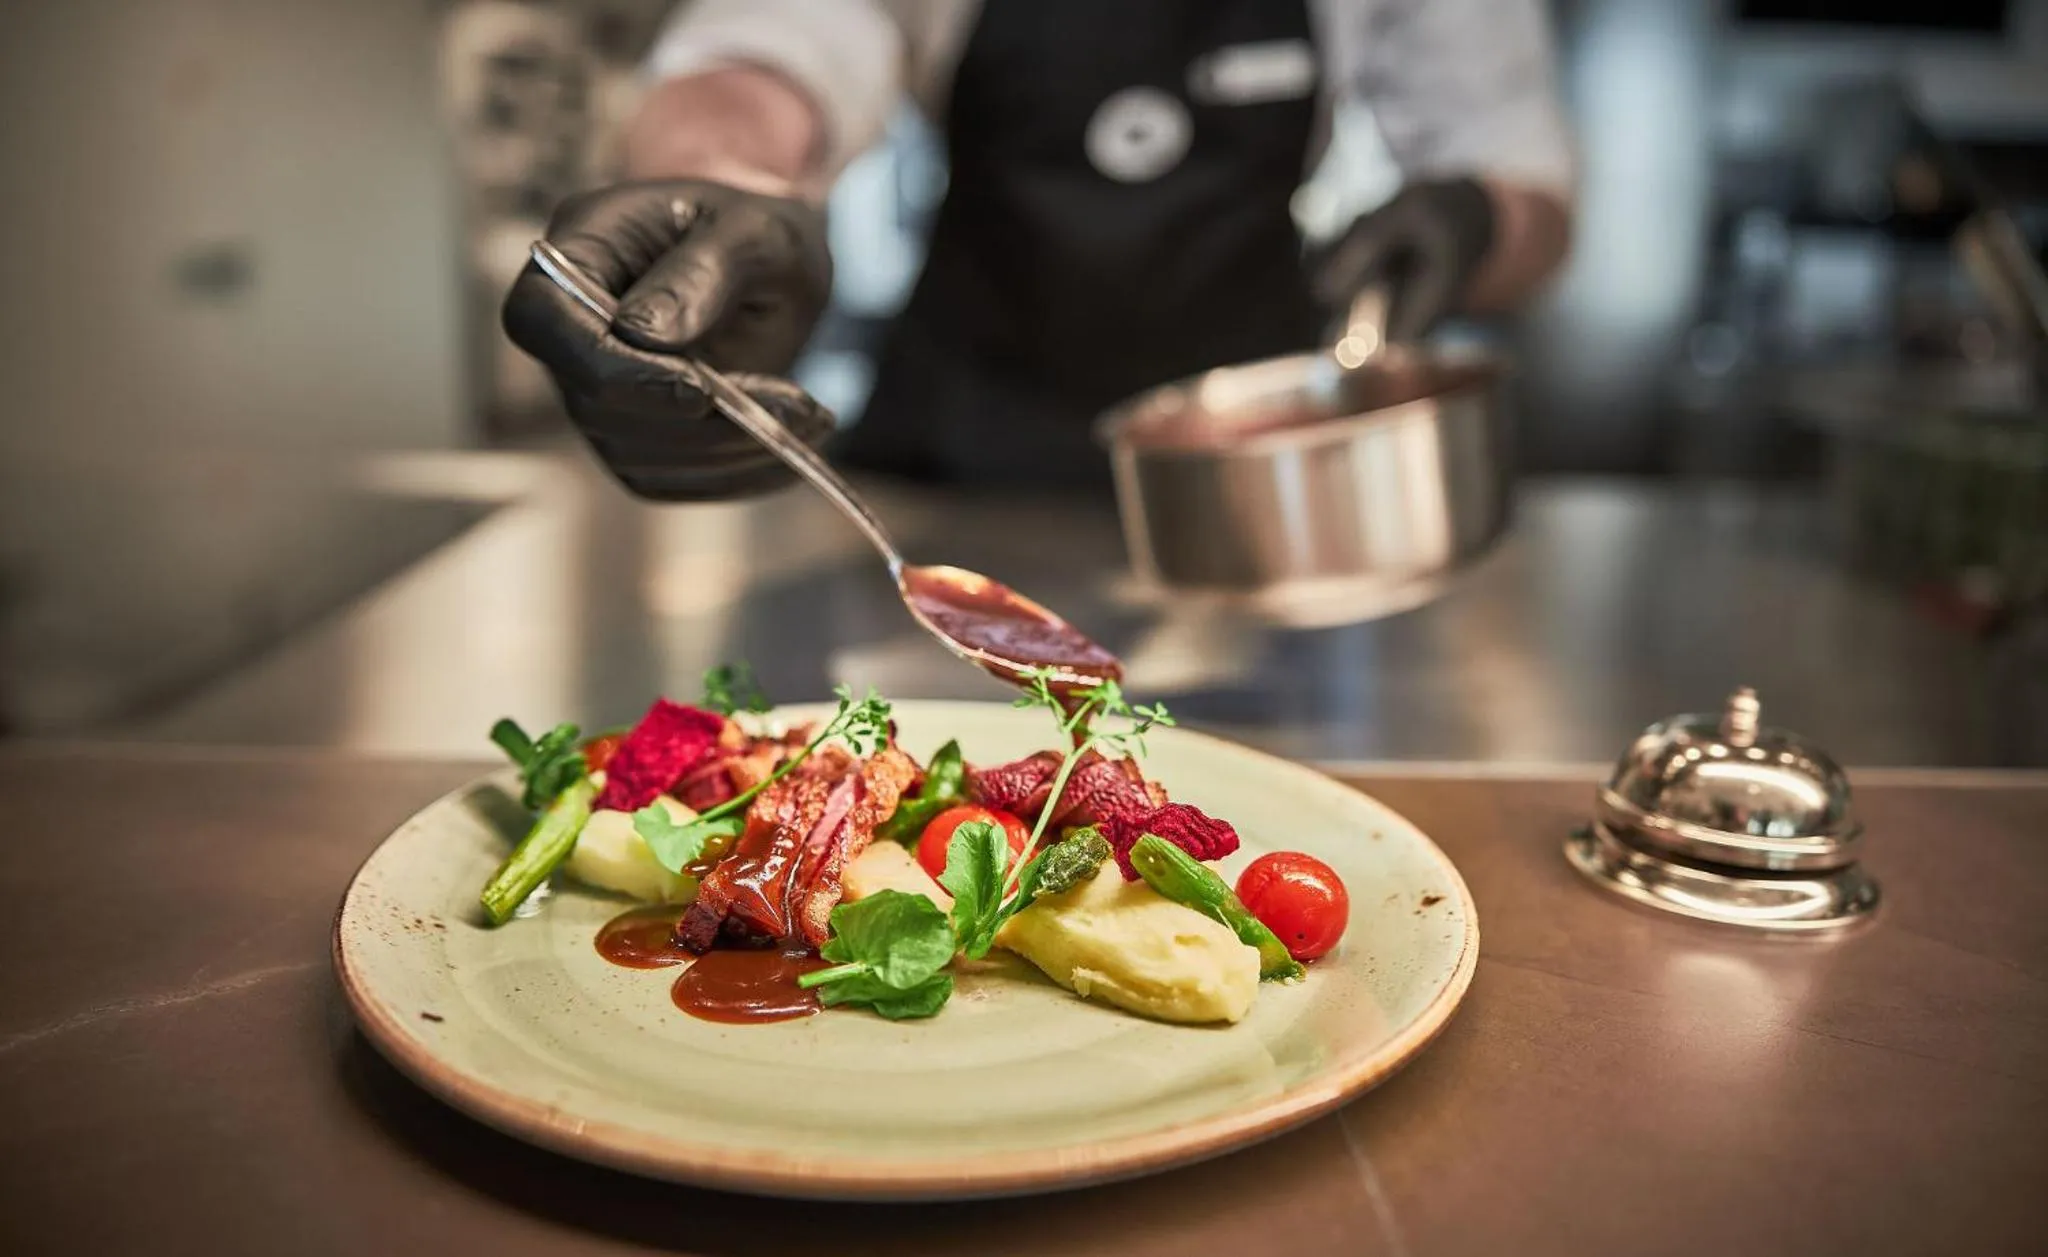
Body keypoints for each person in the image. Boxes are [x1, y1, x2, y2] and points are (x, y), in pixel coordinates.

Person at [503, 0, 1574, 499]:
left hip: (1249, 476)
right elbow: (763, 58)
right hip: (955, 447)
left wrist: (1473, 217)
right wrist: (719, 198)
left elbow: (1524, 191)